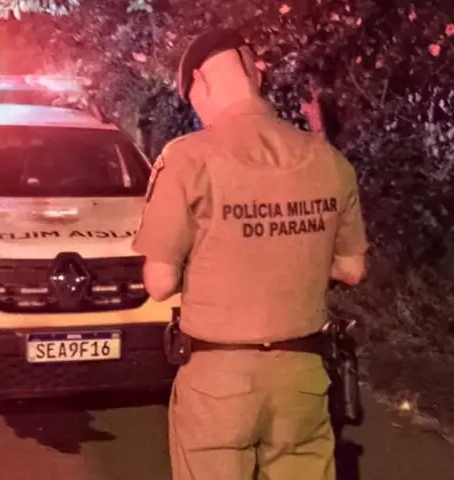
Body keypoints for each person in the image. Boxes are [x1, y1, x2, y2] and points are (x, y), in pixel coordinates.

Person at [132, 28, 368, 480]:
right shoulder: (327, 159)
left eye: (192, 98)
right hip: (302, 376)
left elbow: (159, 283)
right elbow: (352, 268)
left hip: (218, 380)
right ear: (253, 76)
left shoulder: (188, 159)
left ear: (200, 81)